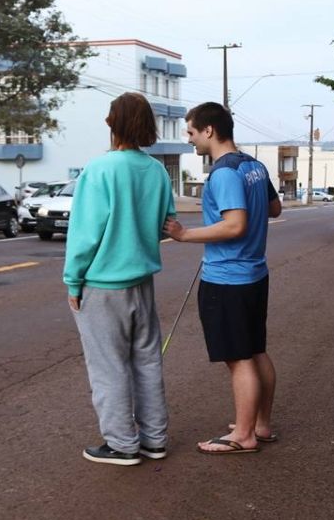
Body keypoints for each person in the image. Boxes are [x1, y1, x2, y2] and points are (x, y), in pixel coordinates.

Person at [64, 92, 177, 466]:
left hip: (103, 285)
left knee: (109, 367)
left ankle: (121, 444)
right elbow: (166, 222)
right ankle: (154, 440)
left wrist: (73, 281)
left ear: (112, 123)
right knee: (147, 362)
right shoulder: (158, 171)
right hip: (142, 283)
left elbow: (85, 234)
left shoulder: (99, 170)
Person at [164, 102, 282, 455]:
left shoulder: (224, 172)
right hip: (254, 273)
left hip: (228, 278)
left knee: (239, 357)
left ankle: (243, 435)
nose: (189, 140)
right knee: (255, 349)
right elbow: (274, 209)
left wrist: (185, 235)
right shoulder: (254, 166)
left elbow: (235, 224)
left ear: (209, 130)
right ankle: (259, 425)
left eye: (190, 132)